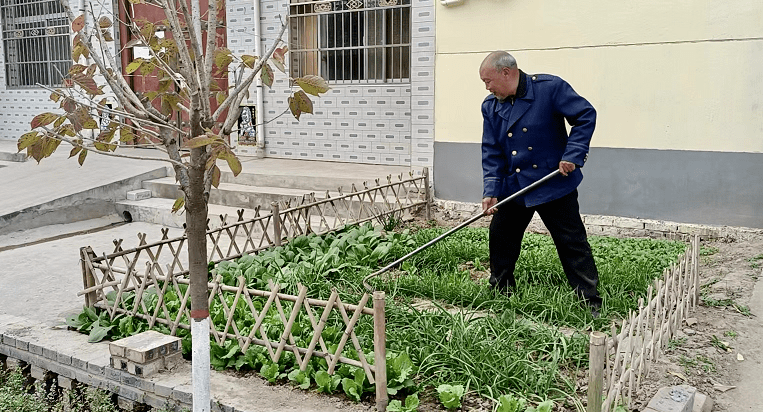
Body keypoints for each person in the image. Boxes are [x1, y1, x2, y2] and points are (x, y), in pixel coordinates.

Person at [479, 51, 602, 311]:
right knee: (501, 238)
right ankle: (501, 293)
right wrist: (491, 190)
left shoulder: (549, 88)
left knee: (571, 242)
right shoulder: (491, 106)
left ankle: (589, 300)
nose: (487, 88)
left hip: (553, 182)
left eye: (488, 81)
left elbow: (585, 115)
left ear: (506, 72)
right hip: (515, 186)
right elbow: (491, 151)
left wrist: (573, 155)